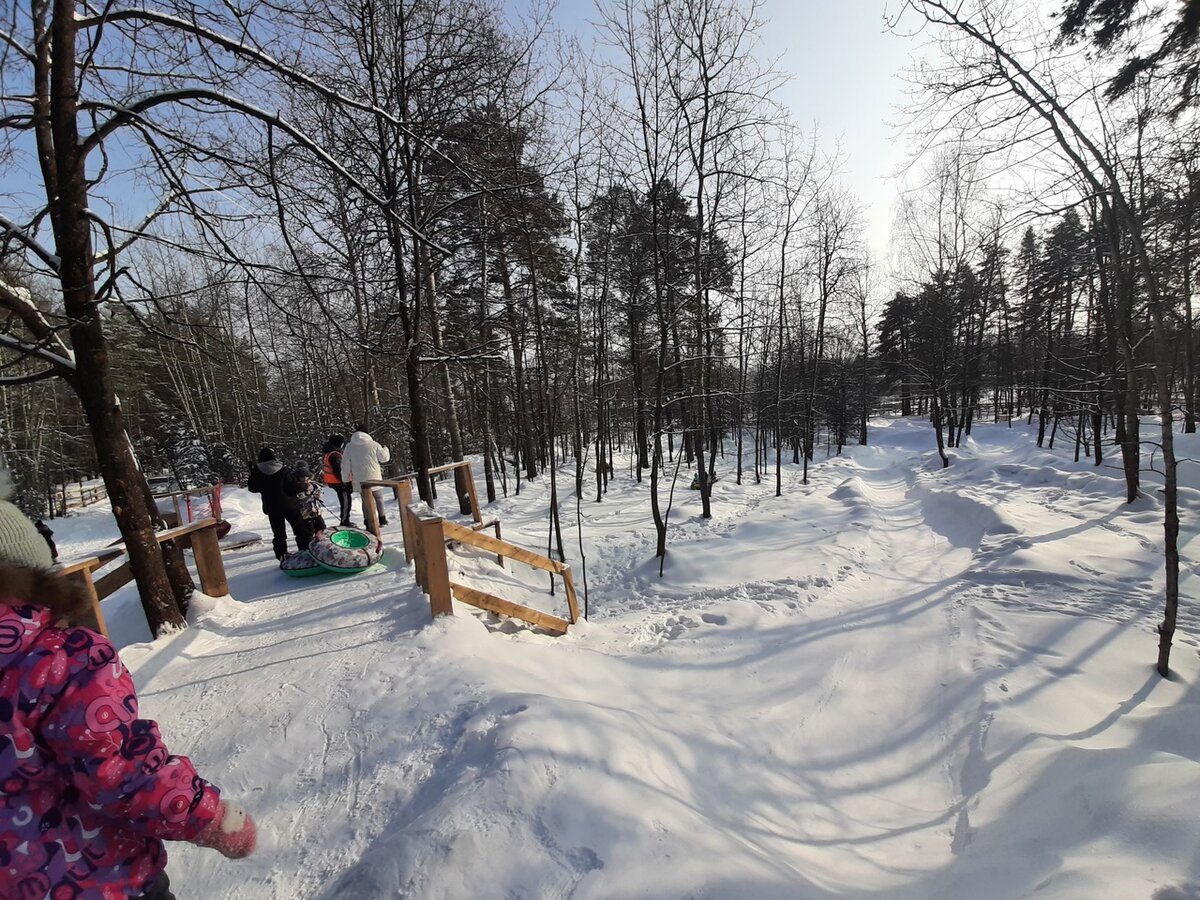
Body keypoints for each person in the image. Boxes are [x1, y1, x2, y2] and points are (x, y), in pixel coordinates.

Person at [0, 485, 257, 900]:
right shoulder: (60, 660)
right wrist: (210, 818)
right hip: (95, 880)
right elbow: (118, 771)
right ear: (34, 574)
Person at [247, 446, 311, 559]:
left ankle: (282, 555)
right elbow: (292, 488)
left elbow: (252, 488)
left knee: (279, 534)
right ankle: (305, 550)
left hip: (272, 508)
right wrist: (305, 486)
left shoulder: (257, 472)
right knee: (300, 530)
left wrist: (252, 472)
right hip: (290, 505)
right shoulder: (283, 470)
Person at [343, 424, 391, 527]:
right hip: (375, 477)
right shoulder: (374, 444)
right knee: (379, 498)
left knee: (365, 501)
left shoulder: (349, 447)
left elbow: (345, 464)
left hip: (360, 480)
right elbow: (384, 458)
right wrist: (386, 449)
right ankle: (382, 519)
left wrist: (346, 479)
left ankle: (367, 520)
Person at [322, 433, 353, 527]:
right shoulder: (335, 455)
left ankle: (345, 519)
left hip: (332, 481)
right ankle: (345, 521)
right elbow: (339, 470)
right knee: (346, 501)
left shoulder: (329, 453)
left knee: (345, 500)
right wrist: (346, 482)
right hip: (338, 482)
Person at [293, 462, 328, 536]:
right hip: (304, 513)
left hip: (315, 511)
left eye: (306, 477)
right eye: (302, 477)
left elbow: (320, 492)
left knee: (322, 529)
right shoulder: (295, 485)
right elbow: (296, 496)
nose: (304, 479)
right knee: (309, 532)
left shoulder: (312, 484)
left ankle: (321, 543)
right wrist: (306, 494)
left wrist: (315, 493)